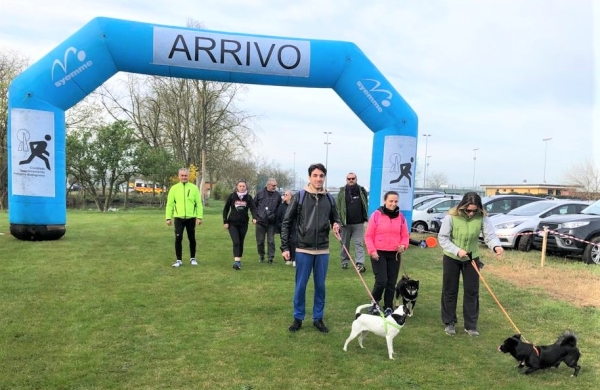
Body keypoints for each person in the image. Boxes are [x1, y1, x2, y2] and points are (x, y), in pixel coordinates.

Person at [281, 163, 341, 333]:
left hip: (322, 250)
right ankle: (298, 318)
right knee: (300, 286)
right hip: (303, 249)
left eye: (321, 175)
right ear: (309, 177)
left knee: (320, 286)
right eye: (315, 175)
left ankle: (318, 318)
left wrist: (337, 225)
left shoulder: (329, 198)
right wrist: (285, 247)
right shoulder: (299, 196)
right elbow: (286, 222)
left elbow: (336, 219)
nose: (318, 178)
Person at [438, 191, 504, 337]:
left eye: (474, 211)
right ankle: (449, 322)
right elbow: (442, 238)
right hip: (452, 257)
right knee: (450, 290)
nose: (470, 213)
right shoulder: (451, 217)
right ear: (462, 207)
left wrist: (496, 246)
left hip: (472, 258)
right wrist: (457, 251)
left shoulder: (482, 217)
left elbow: (490, 236)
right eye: (468, 210)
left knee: (472, 291)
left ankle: (471, 325)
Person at [364, 191, 410, 317]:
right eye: (390, 201)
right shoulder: (376, 215)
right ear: (385, 201)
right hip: (378, 253)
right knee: (381, 281)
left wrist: (403, 245)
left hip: (394, 254)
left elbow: (405, 235)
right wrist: (372, 251)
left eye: (395, 201)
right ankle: (374, 302)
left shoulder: (401, 217)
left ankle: (388, 306)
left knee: (391, 282)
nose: (393, 204)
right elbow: (368, 236)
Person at [165, 168, 203, 267]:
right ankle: (178, 260)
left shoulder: (194, 188)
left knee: (192, 238)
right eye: (182, 175)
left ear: (188, 176)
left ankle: (193, 258)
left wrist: (199, 217)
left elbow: (198, 203)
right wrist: (168, 218)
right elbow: (170, 204)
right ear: (179, 176)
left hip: (191, 218)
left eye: (185, 175)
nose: (184, 177)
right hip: (178, 218)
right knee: (178, 238)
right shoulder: (174, 188)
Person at [337, 172, 369, 272]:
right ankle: (344, 262)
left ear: (356, 179)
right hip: (345, 224)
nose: (351, 180)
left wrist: (365, 218)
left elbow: (365, 204)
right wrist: (338, 221)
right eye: (349, 179)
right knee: (344, 244)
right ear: (346, 180)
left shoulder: (361, 190)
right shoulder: (342, 192)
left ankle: (360, 263)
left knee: (358, 243)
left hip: (358, 223)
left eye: (353, 178)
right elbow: (337, 207)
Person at [223, 180, 257, 270]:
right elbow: (226, 209)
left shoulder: (249, 198)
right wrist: (225, 221)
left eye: (243, 186)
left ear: (246, 187)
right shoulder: (232, 196)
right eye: (240, 186)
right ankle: (236, 262)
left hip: (243, 224)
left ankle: (238, 261)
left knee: (241, 242)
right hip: (232, 223)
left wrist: (254, 217)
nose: (242, 187)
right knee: (236, 242)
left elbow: (253, 208)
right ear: (237, 187)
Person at [254, 178, 282, 264]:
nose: (275, 187)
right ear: (268, 185)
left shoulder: (277, 195)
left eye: (275, 185)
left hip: (271, 222)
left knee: (271, 241)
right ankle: (261, 256)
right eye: (273, 185)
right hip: (260, 221)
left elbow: (279, 208)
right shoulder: (259, 194)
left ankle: (270, 258)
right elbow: (253, 206)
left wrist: (275, 217)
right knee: (260, 241)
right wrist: (255, 217)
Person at [276, 190, 296, 266]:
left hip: (293, 228)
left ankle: (294, 259)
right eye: (284, 194)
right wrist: (279, 226)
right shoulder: (281, 206)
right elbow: (278, 217)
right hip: (283, 228)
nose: (284, 196)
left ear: (291, 196)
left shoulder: (295, 205)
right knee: (284, 242)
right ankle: (287, 259)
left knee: (294, 242)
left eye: (286, 194)